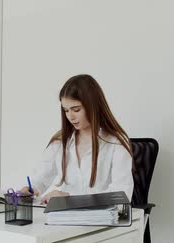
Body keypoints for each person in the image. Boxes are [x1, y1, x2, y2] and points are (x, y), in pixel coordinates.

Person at [21, 74, 134, 204]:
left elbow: (121, 195)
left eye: (76, 109)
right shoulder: (61, 141)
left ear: (93, 106)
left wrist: (69, 198)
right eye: (66, 110)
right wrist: (30, 189)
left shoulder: (116, 142)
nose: (70, 117)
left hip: (101, 220)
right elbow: (40, 178)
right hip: (65, 219)